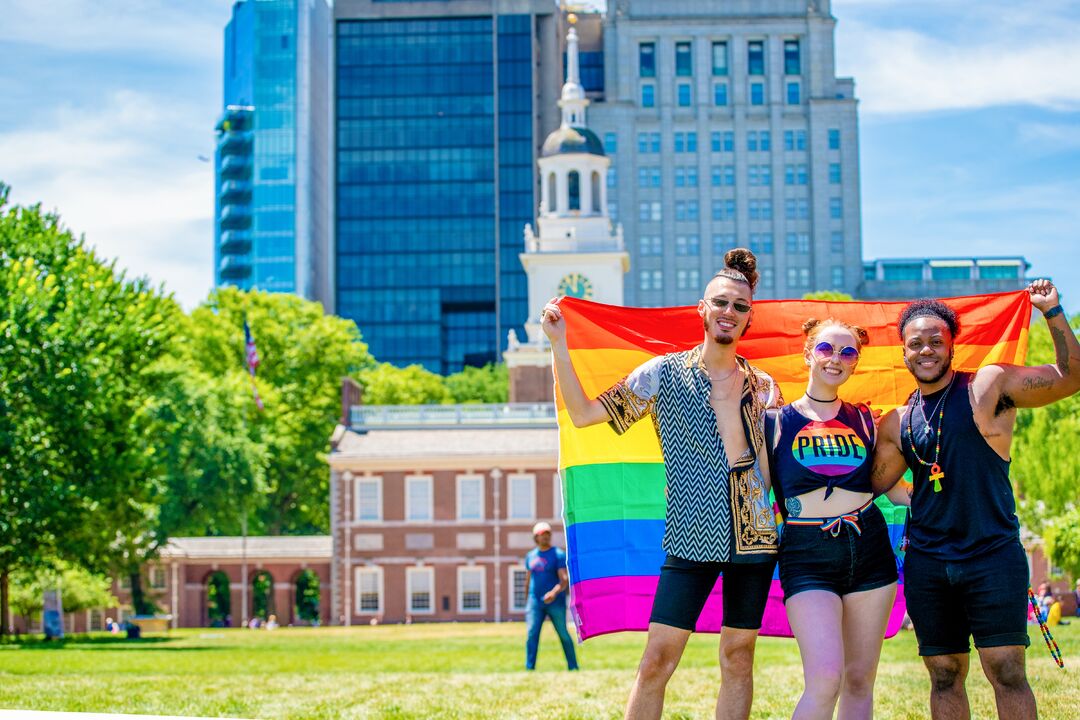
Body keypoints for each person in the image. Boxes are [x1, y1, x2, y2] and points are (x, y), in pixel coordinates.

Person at [542, 248, 782, 720]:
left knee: (738, 658)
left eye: (739, 306)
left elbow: (772, 469)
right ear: (702, 308)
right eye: (720, 302)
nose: (728, 312)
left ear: (749, 317)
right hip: (690, 540)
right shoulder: (662, 373)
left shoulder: (765, 384)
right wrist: (558, 344)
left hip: (753, 540)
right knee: (656, 662)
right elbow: (588, 413)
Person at [871, 279, 1080, 720]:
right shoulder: (897, 422)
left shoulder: (988, 388)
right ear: (903, 352)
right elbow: (866, 484)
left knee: (1005, 669)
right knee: (944, 673)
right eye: (915, 344)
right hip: (928, 560)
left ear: (952, 346)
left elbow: (1072, 378)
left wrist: (1053, 313)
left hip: (991, 553)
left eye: (935, 341)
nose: (925, 350)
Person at [763, 318, 898, 720]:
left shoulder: (866, 420)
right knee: (825, 677)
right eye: (825, 349)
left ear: (856, 364)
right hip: (806, 554)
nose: (835, 359)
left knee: (859, 680)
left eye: (847, 352)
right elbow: (758, 495)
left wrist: (964, 494)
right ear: (807, 354)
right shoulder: (773, 422)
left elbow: (894, 489)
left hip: (869, 547)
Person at [523, 521, 579, 671]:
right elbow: (528, 579)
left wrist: (553, 593)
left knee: (563, 633)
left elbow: (564, 580)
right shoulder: (530, 556)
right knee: (531, 634)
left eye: (548, 534)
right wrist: (527, 599)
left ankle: (573, 666)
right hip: (535, 602)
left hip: (555, 603)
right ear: (536, 537)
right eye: (542, 535)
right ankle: (530, 668)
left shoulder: (558, 555)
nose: (545, 537)